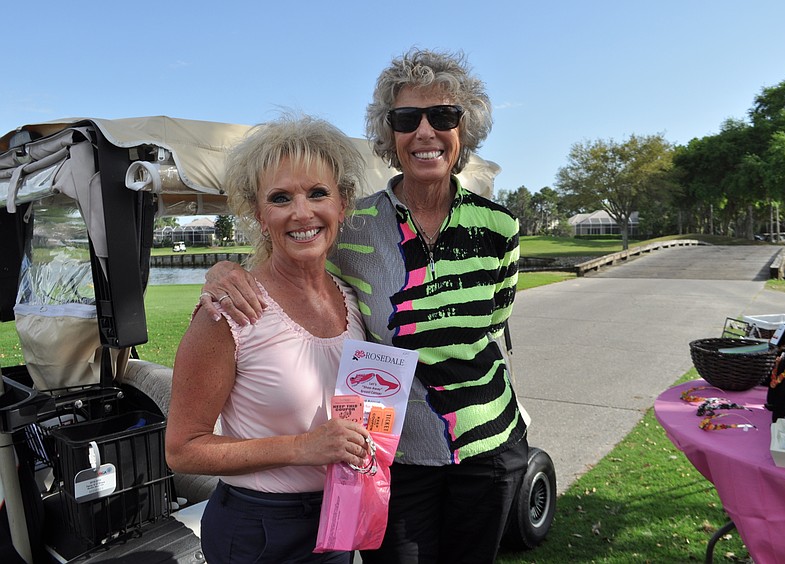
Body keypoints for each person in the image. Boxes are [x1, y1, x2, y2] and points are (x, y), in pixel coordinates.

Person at [201, 48, 528, 563]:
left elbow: (494, 322)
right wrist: (222, 272)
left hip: (490, 444)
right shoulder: (353, 227)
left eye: (442, 116)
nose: (425, 132)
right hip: (392, 453)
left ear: (464, 129)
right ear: (389, 133)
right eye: (406, 119)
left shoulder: (500, 227)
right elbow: (291, 246)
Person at [165, 115, 371, 564]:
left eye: (318, 193)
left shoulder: (353, 299)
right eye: (281, 198)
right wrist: (302, 448)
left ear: (343, 203)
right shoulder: (229, 312)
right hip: (261, 533)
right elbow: (182, 450)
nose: (302, 212)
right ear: (259, 214)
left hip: (339, 512)